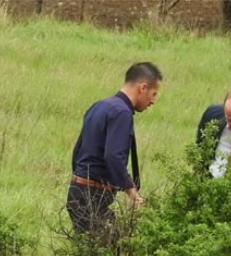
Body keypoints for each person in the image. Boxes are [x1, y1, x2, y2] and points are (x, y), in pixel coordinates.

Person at [67, 62, 162, 235]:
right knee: (108, 253)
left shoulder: (99, 106)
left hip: (78, 192)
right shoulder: (122, 113)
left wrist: (80, 180)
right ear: (143, 87)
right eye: (153, 94)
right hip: (93, 197)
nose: (153, 101)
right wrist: (133, 193)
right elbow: (113, 156)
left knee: (95, 251)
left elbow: (78, 150)